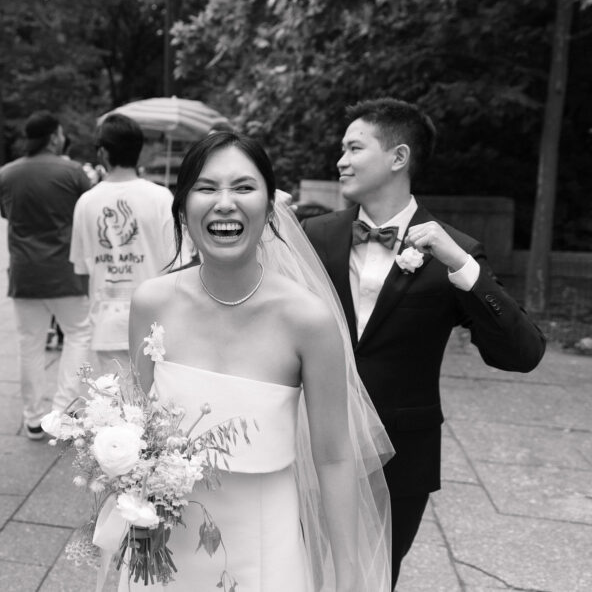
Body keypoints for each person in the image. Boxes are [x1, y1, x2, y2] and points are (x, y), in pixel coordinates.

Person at [129, 132, 393, 591]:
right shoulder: (152, 302)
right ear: (183, 208)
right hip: (162, 549)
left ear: (270, 208)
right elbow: (134, 430)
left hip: (265, 550)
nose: (225, 203)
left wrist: (347, 574)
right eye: (207, 188)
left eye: (244, 187)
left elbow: (333, 456)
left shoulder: (307, 318)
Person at [301, 98, 546, 588]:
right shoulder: (315, 236)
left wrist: (462, 267)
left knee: (374, 579)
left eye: (353, 148)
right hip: (310, 441)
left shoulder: (455, 251)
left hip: (400, 456)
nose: (340, 160)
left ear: (398, 157)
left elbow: (523, 353)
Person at [0, 111, 93, 440]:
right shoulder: (73, 171)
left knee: (29, 345)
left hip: (25, 273)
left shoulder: (7, 174)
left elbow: (6, 214)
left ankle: (33, 418)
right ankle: (64, 411)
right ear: (54, 137)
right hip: (67, 270)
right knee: (79, 334)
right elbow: (88, 214)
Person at [70, 114, 182, 373]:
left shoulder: (86, 202)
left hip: (107, 324)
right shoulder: (161, 198)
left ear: (103, 153)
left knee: (117, 408)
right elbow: (178, 264)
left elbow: (80, 270)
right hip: (157, 326)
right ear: (138, 152)